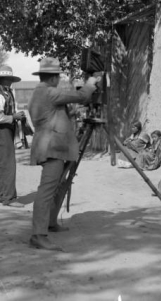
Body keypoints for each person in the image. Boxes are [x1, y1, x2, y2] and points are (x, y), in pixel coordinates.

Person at [28, 57, 99, 251]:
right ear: (53, 78)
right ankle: (38, 235)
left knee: (56, 186)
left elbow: (54, 116)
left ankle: (50, 222)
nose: (59, 80)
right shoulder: (48, 92)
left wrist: (71, 115)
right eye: (58, 77)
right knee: (46, 191)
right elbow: (81, 97)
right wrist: (90, 85)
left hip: (52, 145)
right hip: (53, 148)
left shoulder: (41, 92)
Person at [0, 65, 26, 207]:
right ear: (1, 80)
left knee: (3, 164)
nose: (9, 82)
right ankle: (9, 198)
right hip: (1, 131)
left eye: (10, 79)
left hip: (7, 131)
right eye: (7, 79)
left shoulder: (7, 94)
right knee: (8, 164)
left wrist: (16, 116)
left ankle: (0, 194)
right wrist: (13, 117)